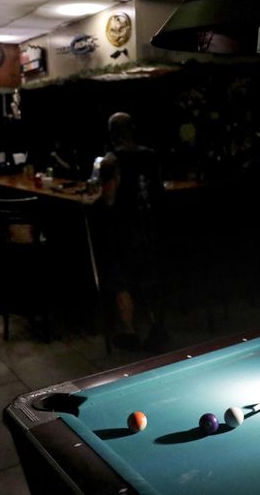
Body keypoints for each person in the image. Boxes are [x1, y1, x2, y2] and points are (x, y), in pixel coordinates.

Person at [91, 112, 166, 351]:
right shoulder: (150, 155)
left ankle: (130, 332)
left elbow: (109, 198)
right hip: (151, 225)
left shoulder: (110, 161)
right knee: (150, 279)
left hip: (124, 229)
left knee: (122, 281)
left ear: (112, 134)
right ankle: (156, 328)